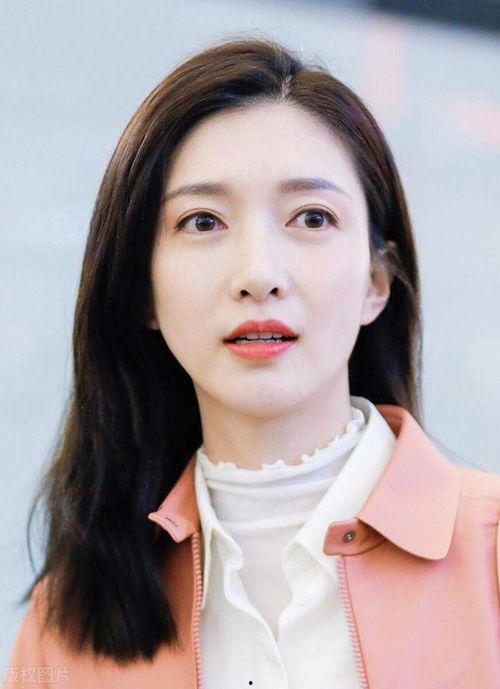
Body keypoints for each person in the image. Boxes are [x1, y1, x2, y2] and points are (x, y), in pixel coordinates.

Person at [3, 35, 500, 689]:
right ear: (143, 289)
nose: (259, 274)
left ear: (377, 280)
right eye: (203, 222)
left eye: (312, 218)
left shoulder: (491, 555)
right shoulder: (65, 624)